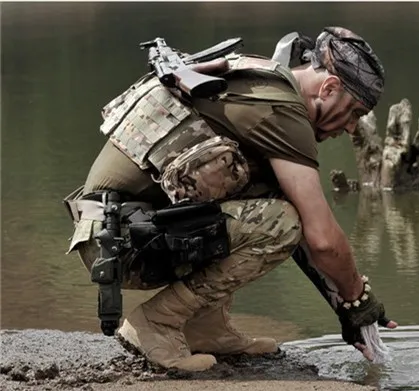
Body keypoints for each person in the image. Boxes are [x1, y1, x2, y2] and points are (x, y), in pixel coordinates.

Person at [62, 26, 397, 372]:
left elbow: (310, 245)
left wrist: (348, 306)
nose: (353, 128)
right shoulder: (281, 111)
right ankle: (156, 324)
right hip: (121, 242)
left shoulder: (261, 81)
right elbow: (322, 239)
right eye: (355, 112)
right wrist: (359, 297)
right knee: (281, 225)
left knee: (274, 210)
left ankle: (206, 327)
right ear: (329, 88)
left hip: (115, 231)